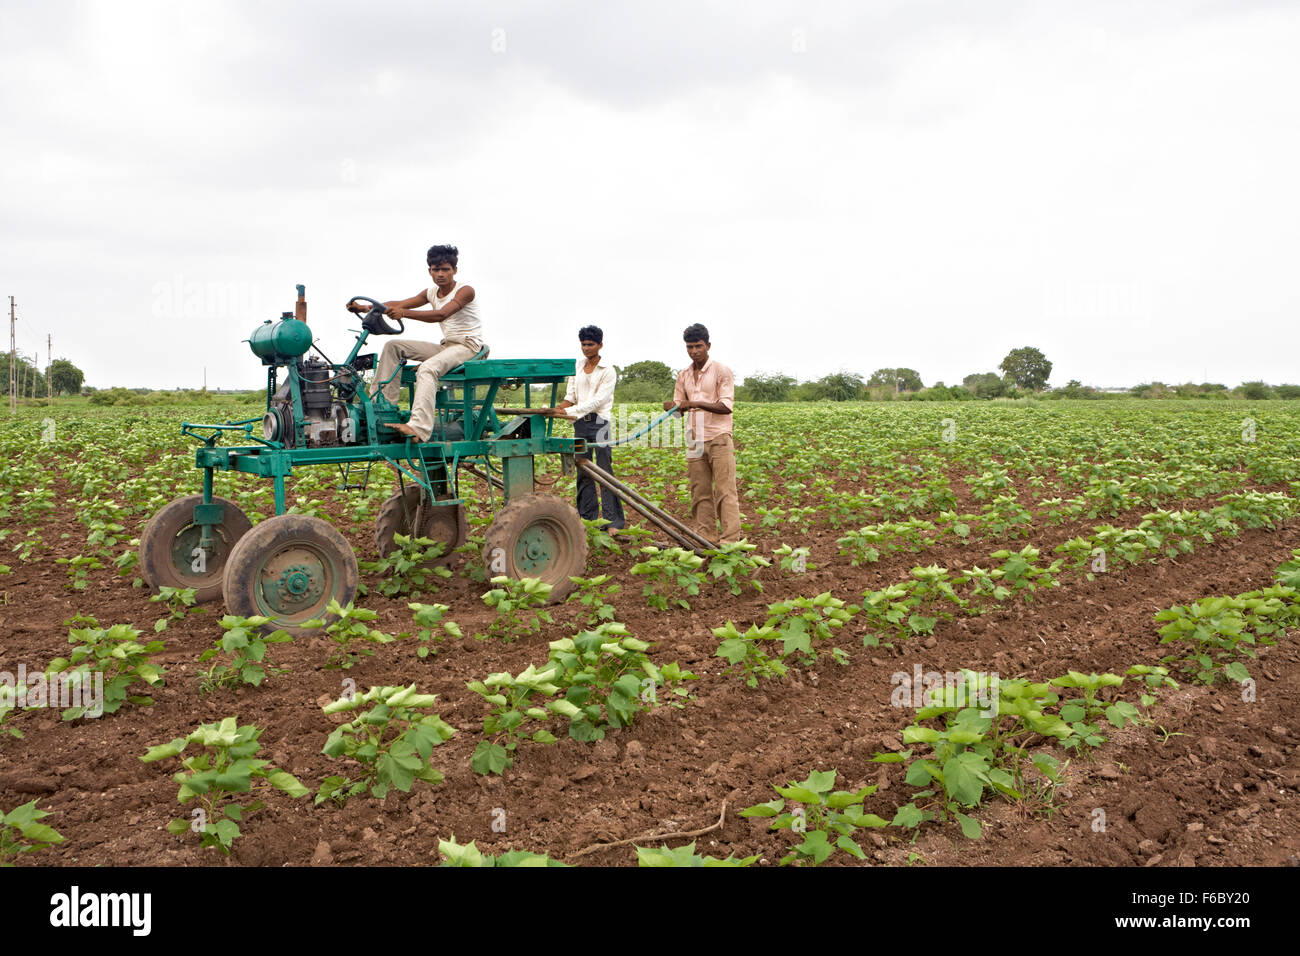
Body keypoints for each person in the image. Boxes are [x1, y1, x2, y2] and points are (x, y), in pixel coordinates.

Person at [348, 244, 486, 442]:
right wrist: (364, 307)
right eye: (435, 269)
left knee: (428, 369)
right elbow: (399, 303)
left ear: (454, 270)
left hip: (468, 347)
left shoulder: (465, 291)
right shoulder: (430, 292)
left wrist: (404, 314)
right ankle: (380, 408)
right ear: (429, 270)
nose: (440, 274)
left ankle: (418, 428)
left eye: (445, 269)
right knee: (393, 346)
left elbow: (441, 314)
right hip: (447, 346)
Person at [540, 326, 626, 533]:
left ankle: (612, 522)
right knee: (583, 470)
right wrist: (558, 408)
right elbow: (571, 396)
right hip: (580, 423)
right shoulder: (577, 366)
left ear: (600, 345)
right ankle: (587, 519)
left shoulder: (608, 370)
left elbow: (598, 401)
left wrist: (571, 410)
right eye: (584, 344)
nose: (586, 348)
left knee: (604, 471)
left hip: (600, 422)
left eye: (590, 344)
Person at [663, 323, 741, 544]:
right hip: (694, 439)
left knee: (726, 491)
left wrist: (693, 403)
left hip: (719, 437)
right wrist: (671, 407)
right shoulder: (684, 375)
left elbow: (726, 405)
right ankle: (706, 537)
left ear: (708, 345)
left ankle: (730, 541)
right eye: (689, 347)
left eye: (698, 346)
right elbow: (679, 410)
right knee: (700, 492)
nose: (694, 351)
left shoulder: (721, 371)